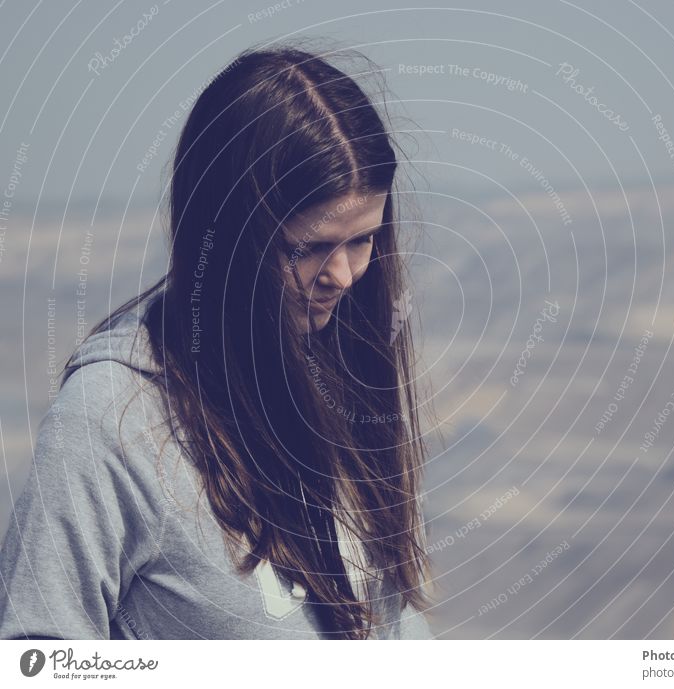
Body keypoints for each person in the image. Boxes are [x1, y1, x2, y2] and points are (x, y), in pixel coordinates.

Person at [0, 43, 439, 640]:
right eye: (306, 249)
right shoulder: (108, 423)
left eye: (361, 241)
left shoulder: (335, 366)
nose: (341, 275)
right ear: (227, 234)